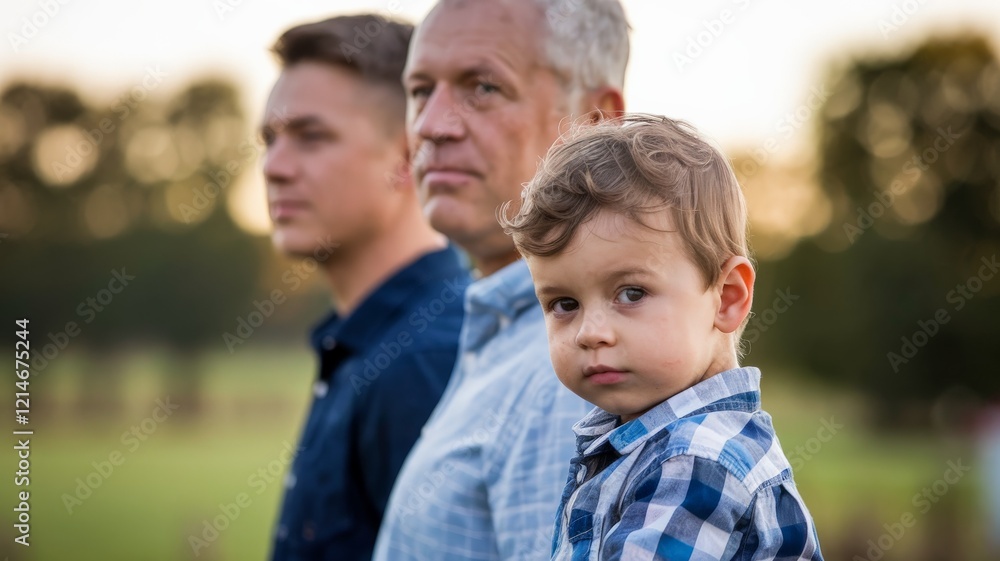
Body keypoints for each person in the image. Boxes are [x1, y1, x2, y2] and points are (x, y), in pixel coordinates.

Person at [502, 114, 824, 560]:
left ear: (727, 298)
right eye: (564, 304)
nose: (590, 333)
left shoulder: (696, 461)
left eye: (631, 293)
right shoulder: (647, 440)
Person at [374, 1, 628, 559]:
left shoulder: (577, 374)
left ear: (593, 124)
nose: (431, 126)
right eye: (420, 90)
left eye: (482, 87)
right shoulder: (510, 336)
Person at [260, 15, 471, 561]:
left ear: (407, 156)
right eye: (269, 139)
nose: (274, 167)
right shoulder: (364, 341)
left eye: (310, 137)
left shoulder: (426, 357)